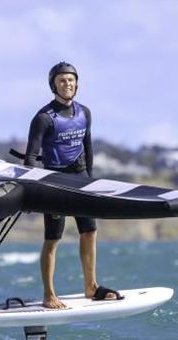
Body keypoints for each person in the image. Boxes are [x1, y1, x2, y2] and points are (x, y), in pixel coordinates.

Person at [24, 62, 122, 309]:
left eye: (71, 80)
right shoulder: (44, 118)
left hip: (80, 179)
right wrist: (32, 189)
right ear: (53, 85)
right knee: (53, 238)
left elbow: (88, 148)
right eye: (62, 80)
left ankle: (91, 286)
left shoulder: (84, 113)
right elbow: (31, 158)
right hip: (54, 182)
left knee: (89, 231)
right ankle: (49, 295)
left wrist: (89, 180)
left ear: (77, 83)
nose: (67, 84)